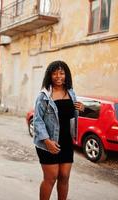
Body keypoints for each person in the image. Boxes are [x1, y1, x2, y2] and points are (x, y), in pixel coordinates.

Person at [33, 60, 84, 200]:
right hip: (47, 142)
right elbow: (37, 121)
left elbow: (71, 114)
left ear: (66, 75)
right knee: (51, 178)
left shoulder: (71, 93)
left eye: (62, 73)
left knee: (64, 177)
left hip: (66, 141)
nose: (58, 76)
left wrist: (81, 108)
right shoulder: (43, 96)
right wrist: (47, 141)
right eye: (54, 73)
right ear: (49, 76)